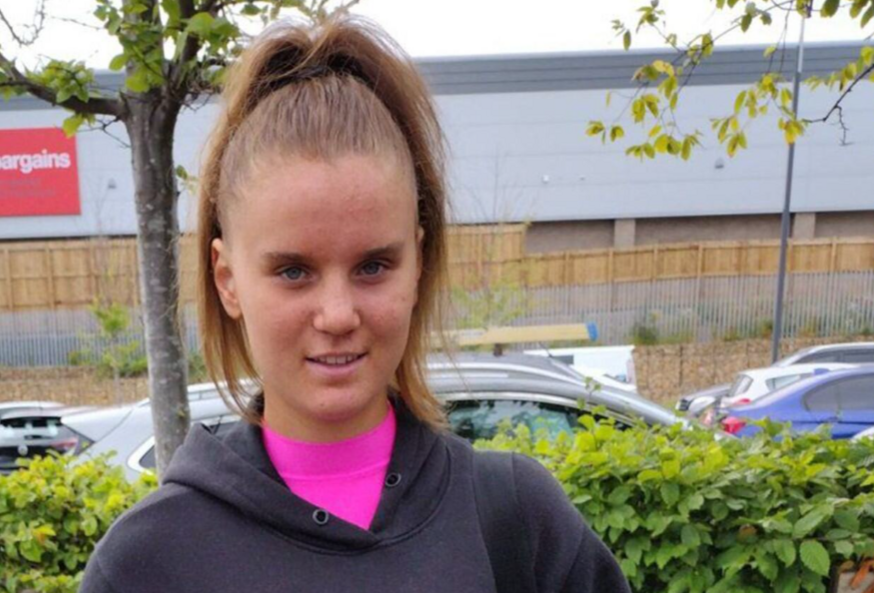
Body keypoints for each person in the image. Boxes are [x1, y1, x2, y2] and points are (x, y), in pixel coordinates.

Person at [80, 15, 631, 593]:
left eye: (373, 266)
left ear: (417, 264)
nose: (338, 315)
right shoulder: (148, 563)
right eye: (293, 271)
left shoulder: (519, 524)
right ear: (227, 279)